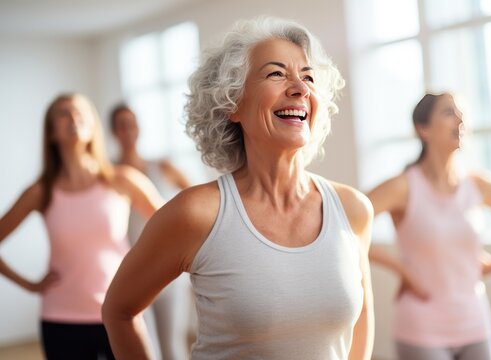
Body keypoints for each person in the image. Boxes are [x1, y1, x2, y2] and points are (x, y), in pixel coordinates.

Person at [102, 16, 374, 360]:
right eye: (277, 73)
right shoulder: (196, 214)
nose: (300, 87)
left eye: (307, 76)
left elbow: (361, 321)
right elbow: (118, 310)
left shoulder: (353, 210)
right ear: (233, 102)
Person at [367, 92, 491, 360]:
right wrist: (400, 267)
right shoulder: (403, 186)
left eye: (461, 113)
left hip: (474, 322)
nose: (460, 119)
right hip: (421, 327)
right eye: (449, 112)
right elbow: (344, 223)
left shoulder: (476, 185)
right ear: (422, 128)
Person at [0, 93, 163, 359]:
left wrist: (149, 281)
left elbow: (175, 226)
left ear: (93, 126)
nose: (73, 117)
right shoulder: (40, 192)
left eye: (81, 112)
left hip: (120, 314)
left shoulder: (122, 180)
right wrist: (29, 285)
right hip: (60, 319)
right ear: (51, 132)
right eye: (64, 113)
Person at [109, 104, 196, 359]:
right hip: (130, 271)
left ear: (138, 128)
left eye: (132, 123)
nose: (128, 130)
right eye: (121, 125)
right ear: (113, 131)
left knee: (172, 346)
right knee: (144, 348)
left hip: (169, 270)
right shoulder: (109, 173)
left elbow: (196, 201)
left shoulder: (163, 167)